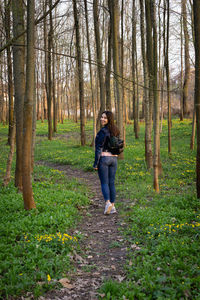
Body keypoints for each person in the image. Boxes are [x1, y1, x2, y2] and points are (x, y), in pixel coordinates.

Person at [93, 111, 120, 215]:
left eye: (105, 118)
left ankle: (108, 203)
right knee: (111, 183)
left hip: (104, 159)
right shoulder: (116, 130)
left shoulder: (102, 132)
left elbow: (98, 149)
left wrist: (96, 164)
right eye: (101, 117)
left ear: (109, 119)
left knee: (104, 182)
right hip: (114, 159)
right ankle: (113, 206)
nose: (102, 119)